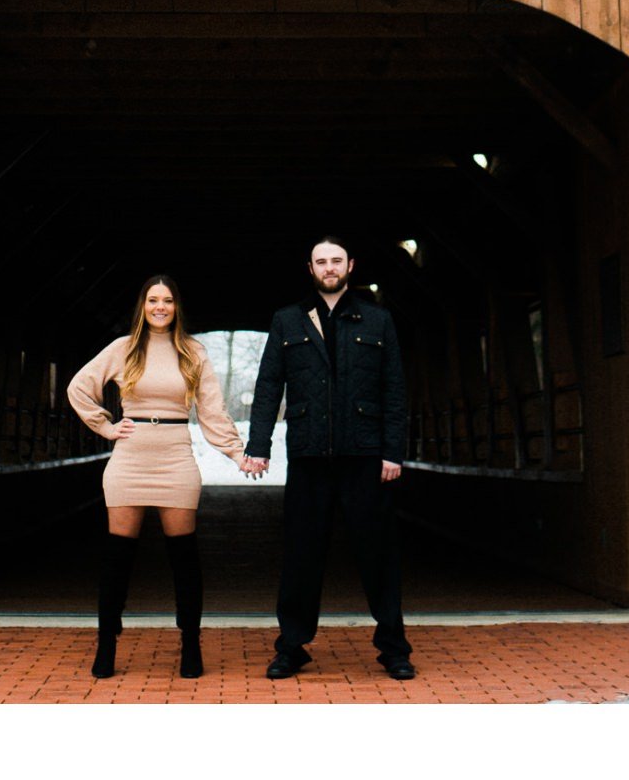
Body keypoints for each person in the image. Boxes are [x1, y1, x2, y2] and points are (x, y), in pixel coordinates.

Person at [241, 235, 414, 680]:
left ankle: (394, 648)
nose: (330, 267)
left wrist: (392, 451)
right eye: (322, 261)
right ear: (311, 268)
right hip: (309, 456)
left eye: (337, 260)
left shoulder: (378, 321)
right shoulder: (288, 321)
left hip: (364, 454)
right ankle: (292, 648)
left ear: (351, 265)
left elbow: (395, 390)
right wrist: (259, 446)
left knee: (378, 555)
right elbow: (267, 388)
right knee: (301, 556)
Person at [67, 274, 252, 679]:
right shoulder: (123, 349)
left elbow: (212, 410)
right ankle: (107, 645)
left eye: (167, 300)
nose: (160, 307)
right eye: (153, 300)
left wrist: (238, 453)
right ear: (143, 305)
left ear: (176, 306)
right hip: (130, 457)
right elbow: (79, 387)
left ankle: (190, 644)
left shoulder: (193, 351)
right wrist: (106, 425)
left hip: (175, 458)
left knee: (183, 557)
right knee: (118, 558)